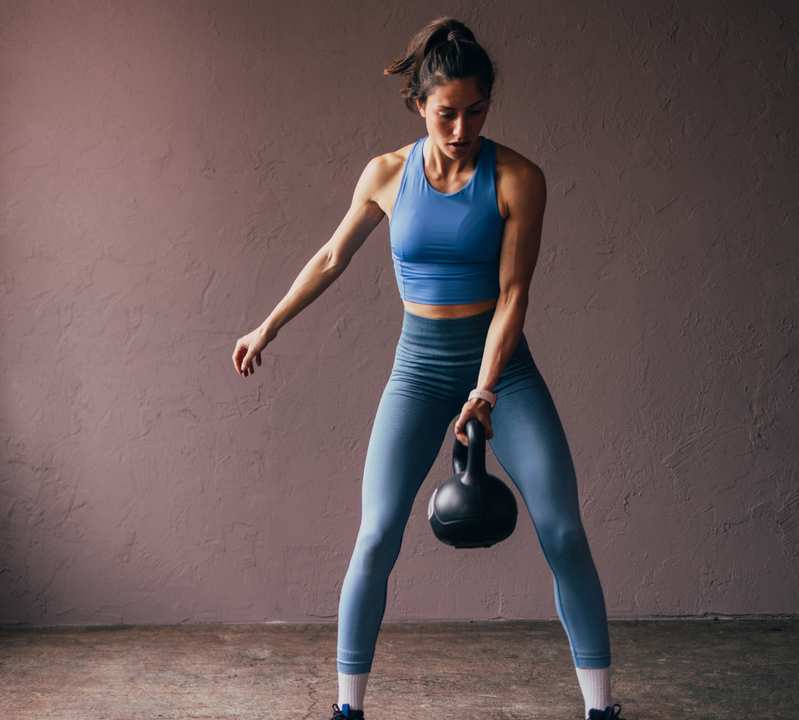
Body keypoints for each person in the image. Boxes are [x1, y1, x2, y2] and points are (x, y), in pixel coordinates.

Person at [231, 17, 627, 720]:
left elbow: (513, 295)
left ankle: (601, 709)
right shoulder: (387, 173)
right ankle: (347, 710)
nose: (462, 127)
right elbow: (331, 257)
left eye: (477, 111)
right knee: (378, 533)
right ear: (419, 104)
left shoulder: (517, 179)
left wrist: (485, 386)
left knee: (563, 530)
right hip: (418, 369)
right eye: (447, 113)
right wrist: (268, 324)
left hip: (503, 371)